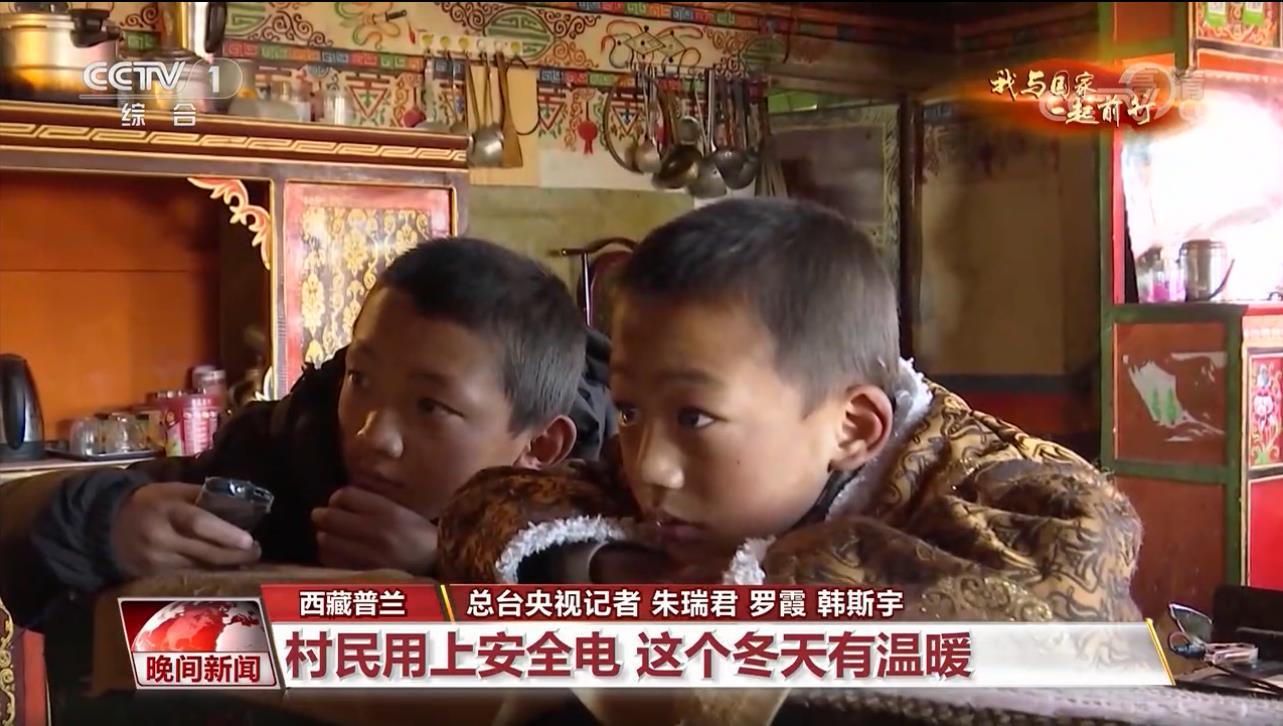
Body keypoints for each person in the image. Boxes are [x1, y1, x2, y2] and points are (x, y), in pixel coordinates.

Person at [439, 198, 1143, 623]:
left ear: (852, 428)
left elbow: (1068, 582)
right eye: (627, 410)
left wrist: (755, 578)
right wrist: (618, 569)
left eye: (694, 418)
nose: (649, 466)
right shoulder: (660, 468)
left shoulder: (996, 481)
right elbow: (485, 508)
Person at [0, 236, 614, 632]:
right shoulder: (287, 448)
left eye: (430, 407)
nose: (372, 435)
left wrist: (448, 564)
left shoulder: (602, 510)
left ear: (540, 446)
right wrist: (107, 526)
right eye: (361, 379)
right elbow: (15, 523)